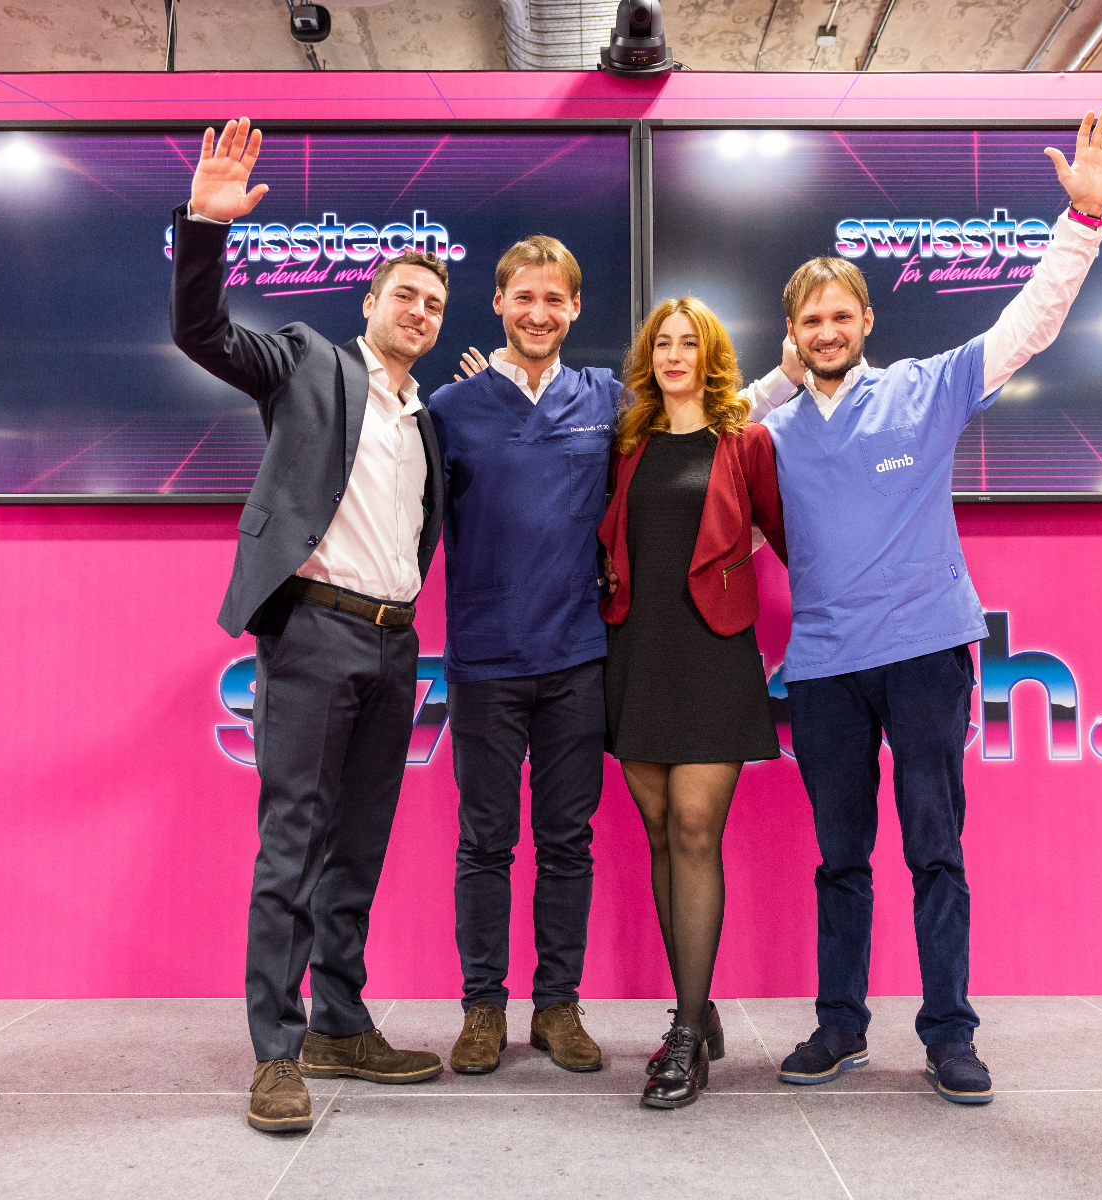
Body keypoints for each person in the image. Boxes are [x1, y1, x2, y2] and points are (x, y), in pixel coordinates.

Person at [762, 108, 1102, 1104]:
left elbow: (1029, 326)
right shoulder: (773, 433)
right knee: (841, 861)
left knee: (936, 851)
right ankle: (840, 1027)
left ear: (865, 323)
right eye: (809, 322)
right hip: (824, 669)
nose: (827, 331)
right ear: (792, 337)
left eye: (841, 316)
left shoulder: (925, 390)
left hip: (926, 655)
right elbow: (707, 431)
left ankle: (949, 1035)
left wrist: (1081, 221)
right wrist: (774, 384)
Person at [429, 246, 803, 1077]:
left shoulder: (607, 402)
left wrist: (782, 379)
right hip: (486, 661)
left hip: (579, 659)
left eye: (553, 298)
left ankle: (557, 1007)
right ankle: (483, 1008)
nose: (538, 312)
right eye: (523, 297)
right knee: (485, 843)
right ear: (498, 303)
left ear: (574, 307)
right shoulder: (453, 407)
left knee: (568, 842)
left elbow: (705, 414)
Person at [169, 117, 449, 1133]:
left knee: (358, 847)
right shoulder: (306, 362)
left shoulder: (427, 419)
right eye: (404, 296)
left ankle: (339, 1024)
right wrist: (207, 224)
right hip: (315, 634)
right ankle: (276, 1054)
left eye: (434, 303)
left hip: (396, 642)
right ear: (368, 303)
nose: (418, 312)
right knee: (293, 843)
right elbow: (202, 334)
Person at [597, 297, 788, 1109]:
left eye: (690, 343)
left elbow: (788, 537)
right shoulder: (627, 443)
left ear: (711, 357)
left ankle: (684, 1034)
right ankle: (698, 1005)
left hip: (714, 655)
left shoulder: (746, 441)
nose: (675, 355)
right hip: (637, 651)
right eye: (662, 344)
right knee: (659, 832)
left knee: (696, 827)